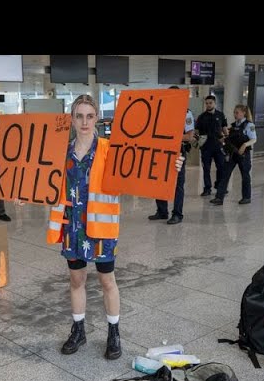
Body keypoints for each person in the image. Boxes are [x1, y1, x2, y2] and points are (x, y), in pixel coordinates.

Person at [47, 95, 184, 360]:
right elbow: (43, 183)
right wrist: (23, 193)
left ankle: (114, 332)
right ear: (72, 119)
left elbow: (142, 168)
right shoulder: (61, 152)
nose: (84, 121)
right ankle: (78, 329)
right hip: (72, 227)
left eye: (89, 116)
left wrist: (171, 165)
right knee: (76, 279)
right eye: (79, 116)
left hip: (101, 227)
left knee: (107, 280)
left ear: (97, 118)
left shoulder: (112, 149)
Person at [148, 85, 194, 225]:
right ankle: (162, 211)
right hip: (161, 152)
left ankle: (177, 214)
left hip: (177, 152)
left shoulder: (186, 114)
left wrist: (171, 136)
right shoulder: (161, 112)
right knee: (159, 182)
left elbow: (189, 136)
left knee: (178, 184)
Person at [210, 104, 257, 206]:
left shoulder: (249, 125)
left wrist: (245, 145)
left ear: (244, 113)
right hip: (232, 153)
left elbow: (254, 139)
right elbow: (229, 137)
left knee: (245, 175)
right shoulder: (233, 125)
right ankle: (219, 197)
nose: (235, 115)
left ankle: (246, 197)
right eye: (234, 113)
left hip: (243, 154)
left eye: (237, 113)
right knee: (225, 174)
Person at [194, 95, 228, 196]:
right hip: (206, 147)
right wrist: (197, 142)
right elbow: (196, 132)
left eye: (210, 103)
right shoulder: (201, 117)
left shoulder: (220, 115)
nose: (208, 105)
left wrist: (226, 139)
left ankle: (220, 186)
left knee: (221, 167)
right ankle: (207, 188)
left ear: (214, 103)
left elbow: (225, 129)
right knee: (206, 168)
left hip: (218, 146)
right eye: (207, 103)